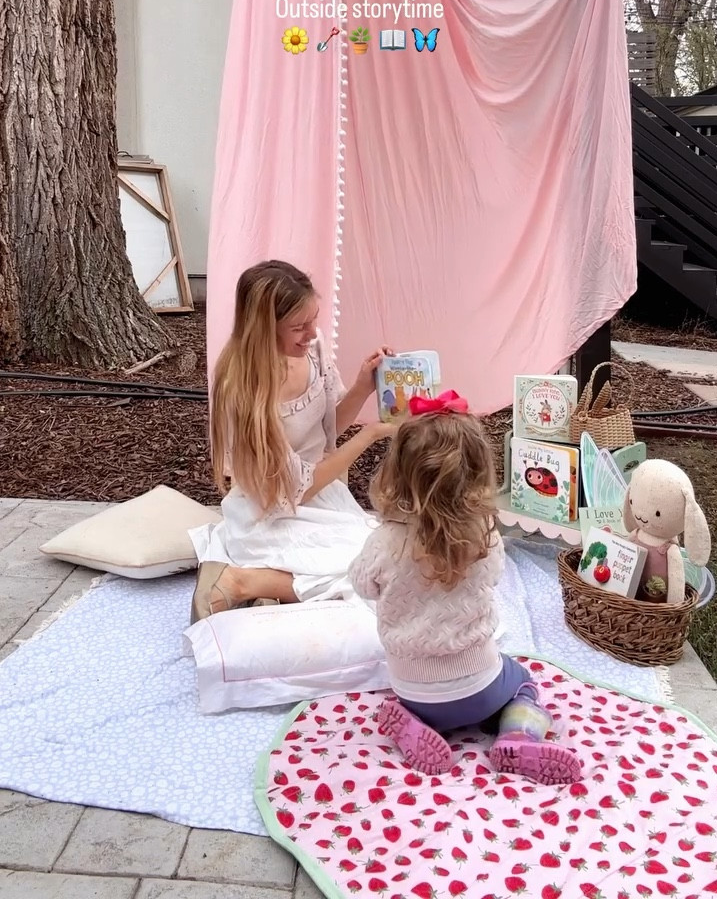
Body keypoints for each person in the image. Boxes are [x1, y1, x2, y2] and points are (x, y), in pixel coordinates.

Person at [349, 393, 582, 783]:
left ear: (398, 471)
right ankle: (517, 733)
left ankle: (414, 724)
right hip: (481, 686)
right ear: (476, 472)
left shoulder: (386, 541)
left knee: (418, 698)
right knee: (522, 682)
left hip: (413, 688)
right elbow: (492, 578)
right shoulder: (484, 536)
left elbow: (363, 585)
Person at [189, 259, 395, 622]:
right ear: (264, 329)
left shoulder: (312, 351)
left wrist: (365, 384)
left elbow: (328, 427)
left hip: (321, 497)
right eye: (299, 327)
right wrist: (371, 435)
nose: (312, 333)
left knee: (387, 558)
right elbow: (297, 488)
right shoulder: (243, 389)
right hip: (271, 510)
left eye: (313, 319)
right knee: (366, 578)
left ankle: (272, 590)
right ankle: (243, 583)